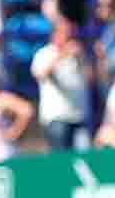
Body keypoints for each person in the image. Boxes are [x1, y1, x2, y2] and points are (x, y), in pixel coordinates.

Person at [32, 19, 95, 150]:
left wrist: (82, 57)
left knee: (84, 156)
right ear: (55, 35)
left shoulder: (79, 55)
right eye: (66, 33)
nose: (70, 37)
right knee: (61, 161)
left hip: (79, 116)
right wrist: (63, 55)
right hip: (57, 117)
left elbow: (91, 79)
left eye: (72, 34)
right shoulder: (45, 53)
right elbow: (40, 74)